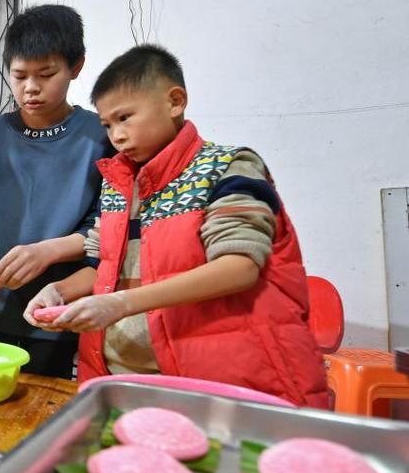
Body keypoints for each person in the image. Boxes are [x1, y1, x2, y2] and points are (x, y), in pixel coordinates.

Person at [24, 45, 329, 407]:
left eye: (125, 118)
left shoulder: (227, 166)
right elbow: (103, 268)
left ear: (175, 101)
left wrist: (120, 304)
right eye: (107, 124)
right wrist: (59, 291)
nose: (116, 135)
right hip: (122, 380)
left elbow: (240, 267)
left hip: (216, 383)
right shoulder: (118, 183)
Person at [0, 5, 113, 378]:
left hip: (55, 316)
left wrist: (49, 251)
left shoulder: (100, 136)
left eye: (46, 74)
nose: (31, 87)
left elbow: (109, 228)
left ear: (77, 66)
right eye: (19, 75)